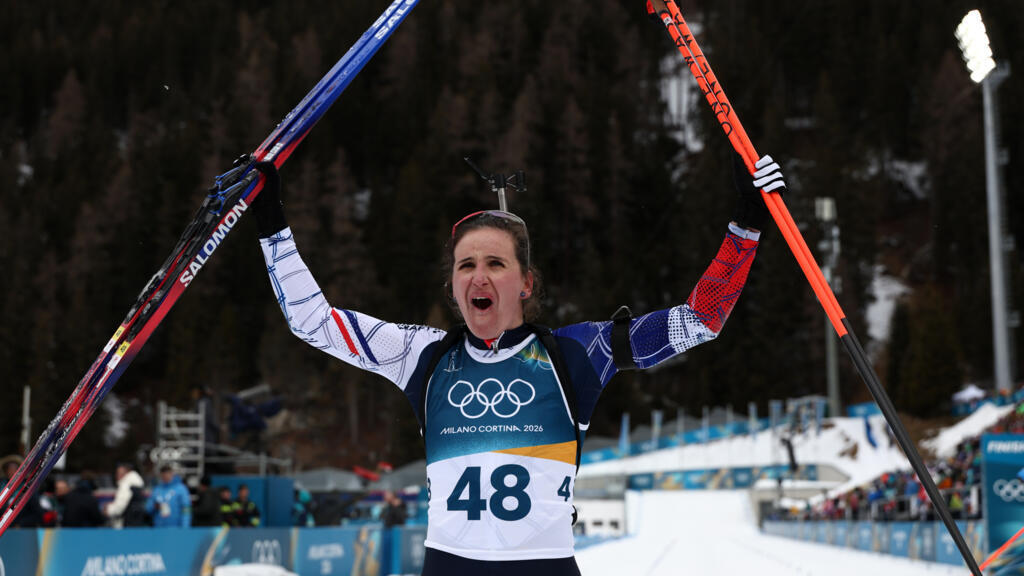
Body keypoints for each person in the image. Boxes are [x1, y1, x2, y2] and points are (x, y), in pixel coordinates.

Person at [251, 151, 785, 574]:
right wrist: (270, 221)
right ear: (452, 286)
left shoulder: (575, 353)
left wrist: (747, 222)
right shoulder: (422, 355)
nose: (478, 276)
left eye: (495, 263)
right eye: (465, 265)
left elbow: (699, 320)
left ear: (526, 283)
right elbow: (312, 322)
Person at [105, 463, 148, 528]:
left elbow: (119, 507)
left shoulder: (126, 484)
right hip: (137, 521)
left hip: (128, 522)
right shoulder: (137, 484)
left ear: (126, 472)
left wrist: (108, 510)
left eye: (119, 473)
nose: (117, 475)